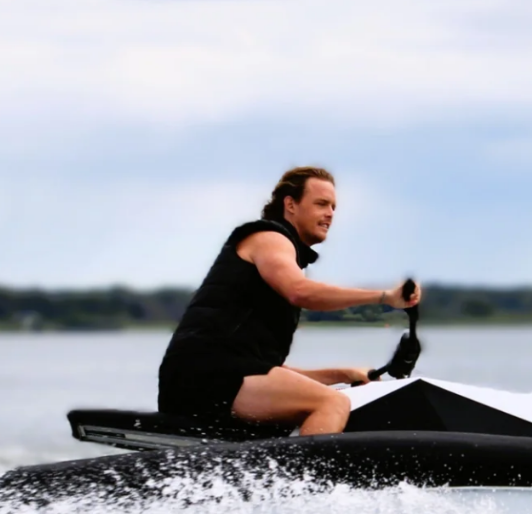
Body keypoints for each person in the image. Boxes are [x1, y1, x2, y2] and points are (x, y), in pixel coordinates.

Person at [157, 166, 422, 436]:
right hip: (205, 377)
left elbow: (266, 371)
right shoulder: (270, 238)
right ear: (290, 205)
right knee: (331, 403)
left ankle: (280, 474)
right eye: (321, 204)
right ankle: (304, 479)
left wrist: (342, 373)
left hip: (209, 377)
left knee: (328, 401)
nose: (330, 213)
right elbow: (300, 291)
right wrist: (385, 297)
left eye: (333, 207)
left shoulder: (281, 261)